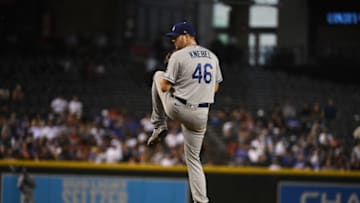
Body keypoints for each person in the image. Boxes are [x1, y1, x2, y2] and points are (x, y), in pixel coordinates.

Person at [146, 22, 223, 203]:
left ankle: (158, 125)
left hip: (178, 108)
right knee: (194, 160)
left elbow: (164, 88)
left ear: (187, 36)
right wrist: (195, 90)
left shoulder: (178, 56)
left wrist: (173, 73)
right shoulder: (212, 56)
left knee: (158, 76)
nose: (173, 40)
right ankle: (201, 201)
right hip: (201, 115)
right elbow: (216, 86)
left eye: (176, 36)